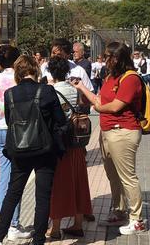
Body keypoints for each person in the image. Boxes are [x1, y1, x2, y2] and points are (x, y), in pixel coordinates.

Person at [0, 54, 68, 245]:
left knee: (13, 193)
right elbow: (60, 120)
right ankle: (38, 240)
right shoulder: (47, 91)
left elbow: (9, 121)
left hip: (19, 150)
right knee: (42, 197)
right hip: (44, 150)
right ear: (35, 70)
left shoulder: (10, 94)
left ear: (18, 72)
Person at [72, 42, 146, 235]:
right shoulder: (110, 77)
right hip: (107, 132)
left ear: (117, 58)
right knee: (113, 175)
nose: (104, 60)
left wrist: (97, 108)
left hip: (123, 131)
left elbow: (115, 106)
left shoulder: (131, 79)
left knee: (127, 176)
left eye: (107, 56)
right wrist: (81, 88)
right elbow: (99, 100)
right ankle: (119, 210)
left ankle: (137, 219)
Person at [0, 45, 31, 242]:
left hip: (0, 128)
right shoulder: (19, 79)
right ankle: (14, 224)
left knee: (3, 177)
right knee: (18, 177)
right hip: (18, 130)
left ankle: (5, 221)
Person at [45, 56, 92, 239]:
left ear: (51, 71)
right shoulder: (74, 89)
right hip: (76, 142)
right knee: (78, 180)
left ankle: (55, 228)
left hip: (59, 143)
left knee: (58, 183)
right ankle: (78, 224)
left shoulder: (51, 91)